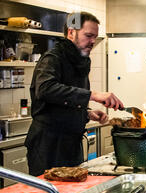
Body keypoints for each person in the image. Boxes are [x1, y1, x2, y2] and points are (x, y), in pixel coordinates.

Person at [25, 12, 123, 176]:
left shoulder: (80, 61)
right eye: (88, 35)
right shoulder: (52, 58)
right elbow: (46, 89)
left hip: (71, 143)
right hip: (48, 146)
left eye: (95, 37)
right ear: (71, 32)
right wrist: (93, 95)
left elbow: (62, 102)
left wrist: (86, 114)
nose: (92, 41)